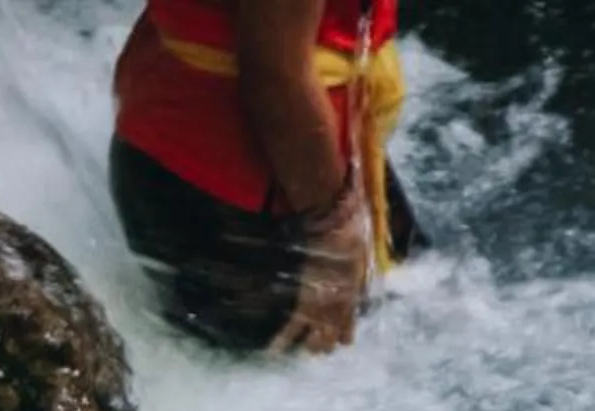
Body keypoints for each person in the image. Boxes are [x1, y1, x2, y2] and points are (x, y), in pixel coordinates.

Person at [110, 0, 417, 355]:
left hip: (215, 151)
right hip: (239, 190)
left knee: (414, 294)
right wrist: (331, 232)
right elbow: (275, 79)